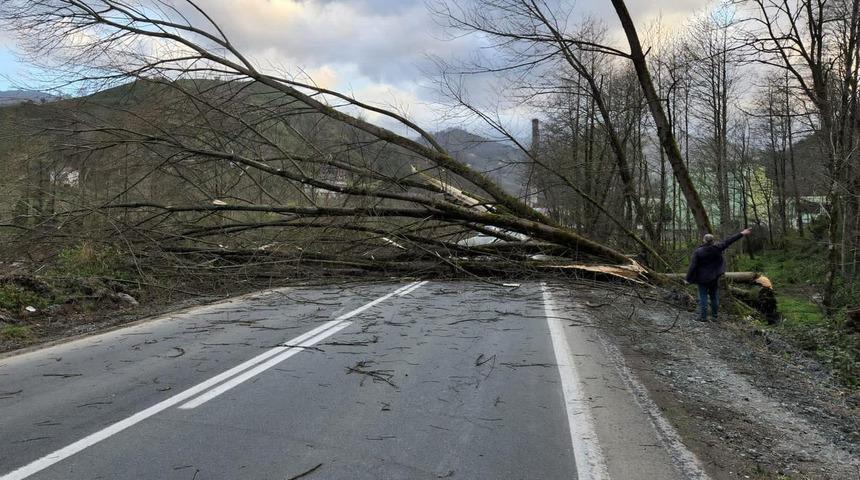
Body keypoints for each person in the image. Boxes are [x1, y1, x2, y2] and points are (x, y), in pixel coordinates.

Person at [685, 228, 753, 322]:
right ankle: (715, 316)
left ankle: (703, 317)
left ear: (704, 240)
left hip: (702, 278)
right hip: (714, 277)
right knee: (714, 297)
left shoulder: (698, 252)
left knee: (703, 297)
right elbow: (729, 240)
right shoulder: (718, 248)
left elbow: (692, 266)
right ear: (712, 241)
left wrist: (687, 279)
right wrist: (742, 233)